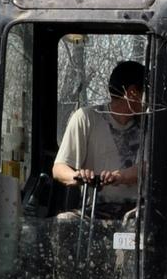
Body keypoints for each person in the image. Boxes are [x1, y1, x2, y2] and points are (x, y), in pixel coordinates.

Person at [53, 59, 148, 208]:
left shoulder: (151, 125)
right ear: (133, 93)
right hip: (95, 212)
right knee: (63, 222)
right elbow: (59, 169)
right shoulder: (86, 118)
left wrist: (119, 176)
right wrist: (78, 177)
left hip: (142, 213)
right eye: (146, 93)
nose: (150, 103)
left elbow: (149, 168)